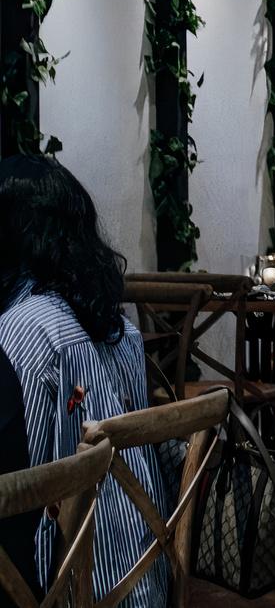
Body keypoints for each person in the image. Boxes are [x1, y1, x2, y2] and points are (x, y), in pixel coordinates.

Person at [0, 155, 168, 606]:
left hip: (64, 585)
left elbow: (22, 488)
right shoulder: (121, 327)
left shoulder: (22, 329)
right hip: (142, 575)